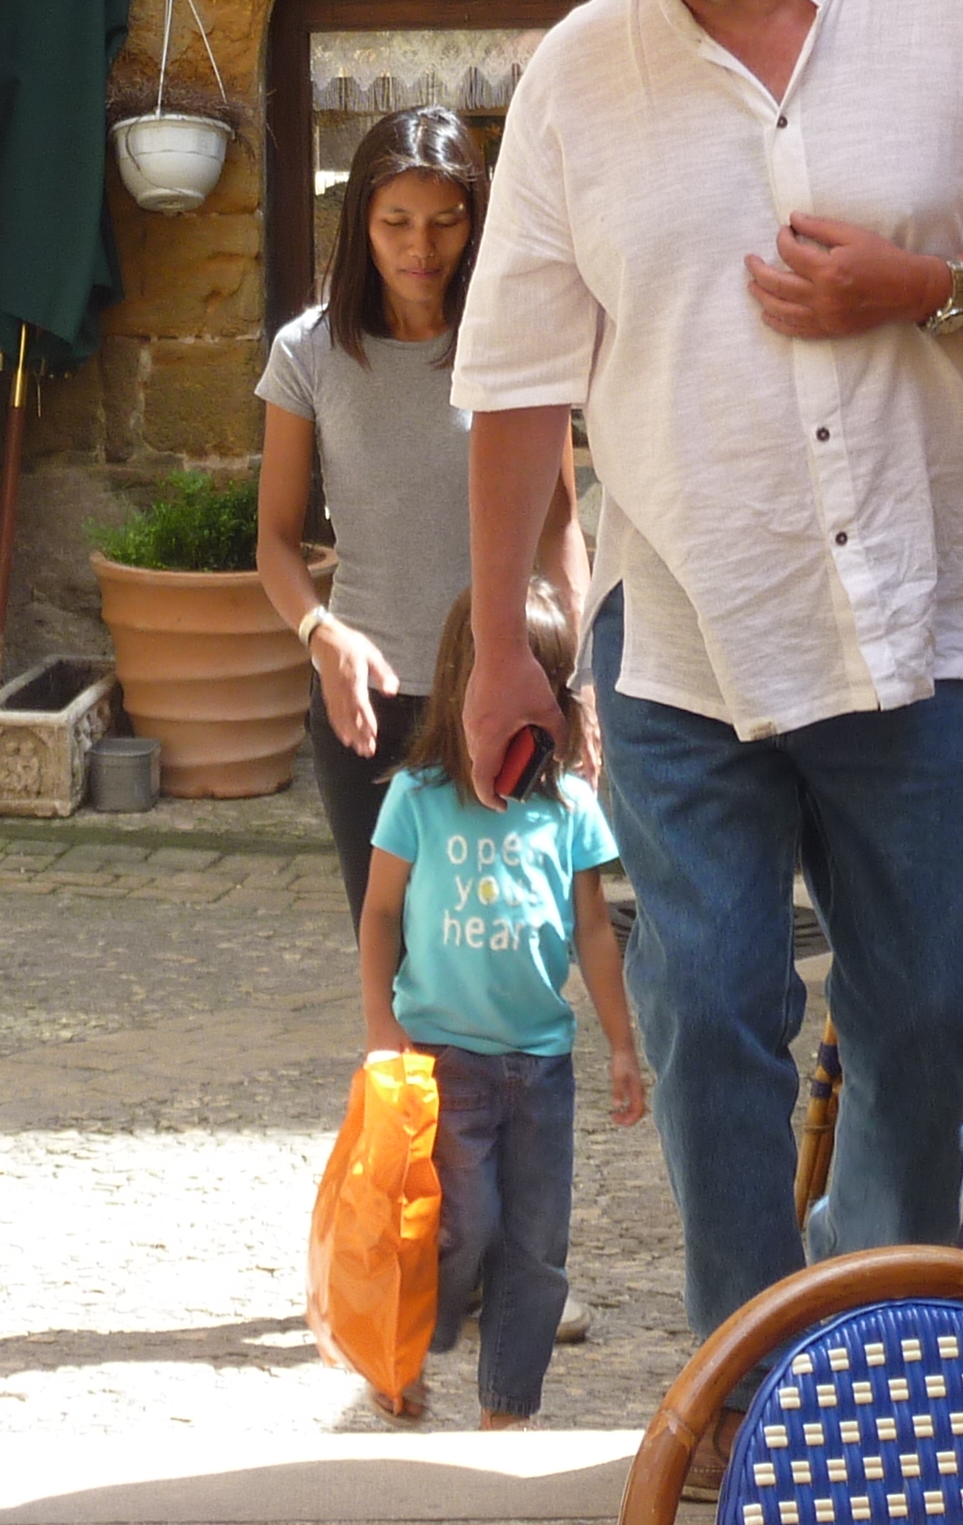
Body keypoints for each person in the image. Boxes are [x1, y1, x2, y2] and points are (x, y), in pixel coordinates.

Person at [448, 0, 963, 1401]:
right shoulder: (577, 74)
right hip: (678, 624)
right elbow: (515, 373)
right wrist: (501, 644)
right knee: (704, 1015)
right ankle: (750, 1381)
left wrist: (923, 287)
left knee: (920, 1022)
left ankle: (880, 1347)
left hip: (914, 614)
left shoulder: (944, 4)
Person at [256, 106, 586, 929]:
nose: (421, 248)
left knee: (506, 948)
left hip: (507, 691)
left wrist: (578, 680)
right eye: (395, 222)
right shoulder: (309, 353)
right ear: (359, 222)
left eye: (446, 221)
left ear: (476, 222)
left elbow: (557, 528)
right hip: (371, 702)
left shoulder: (513, 344)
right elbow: (274, 541)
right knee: (395, 957)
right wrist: (320, 635)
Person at [357, 584, 644, 1430]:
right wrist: (382, 1030)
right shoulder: (420, 797)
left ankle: (508, 1409)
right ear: (464, 685)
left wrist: (621, 1045)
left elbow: (594, 929)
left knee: (536, 1251)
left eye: (551, 690)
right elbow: (378, 914)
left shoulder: (567, 808)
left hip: (541, 1066)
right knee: (462, 1228)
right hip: (446, 1060)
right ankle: (407, 1347)